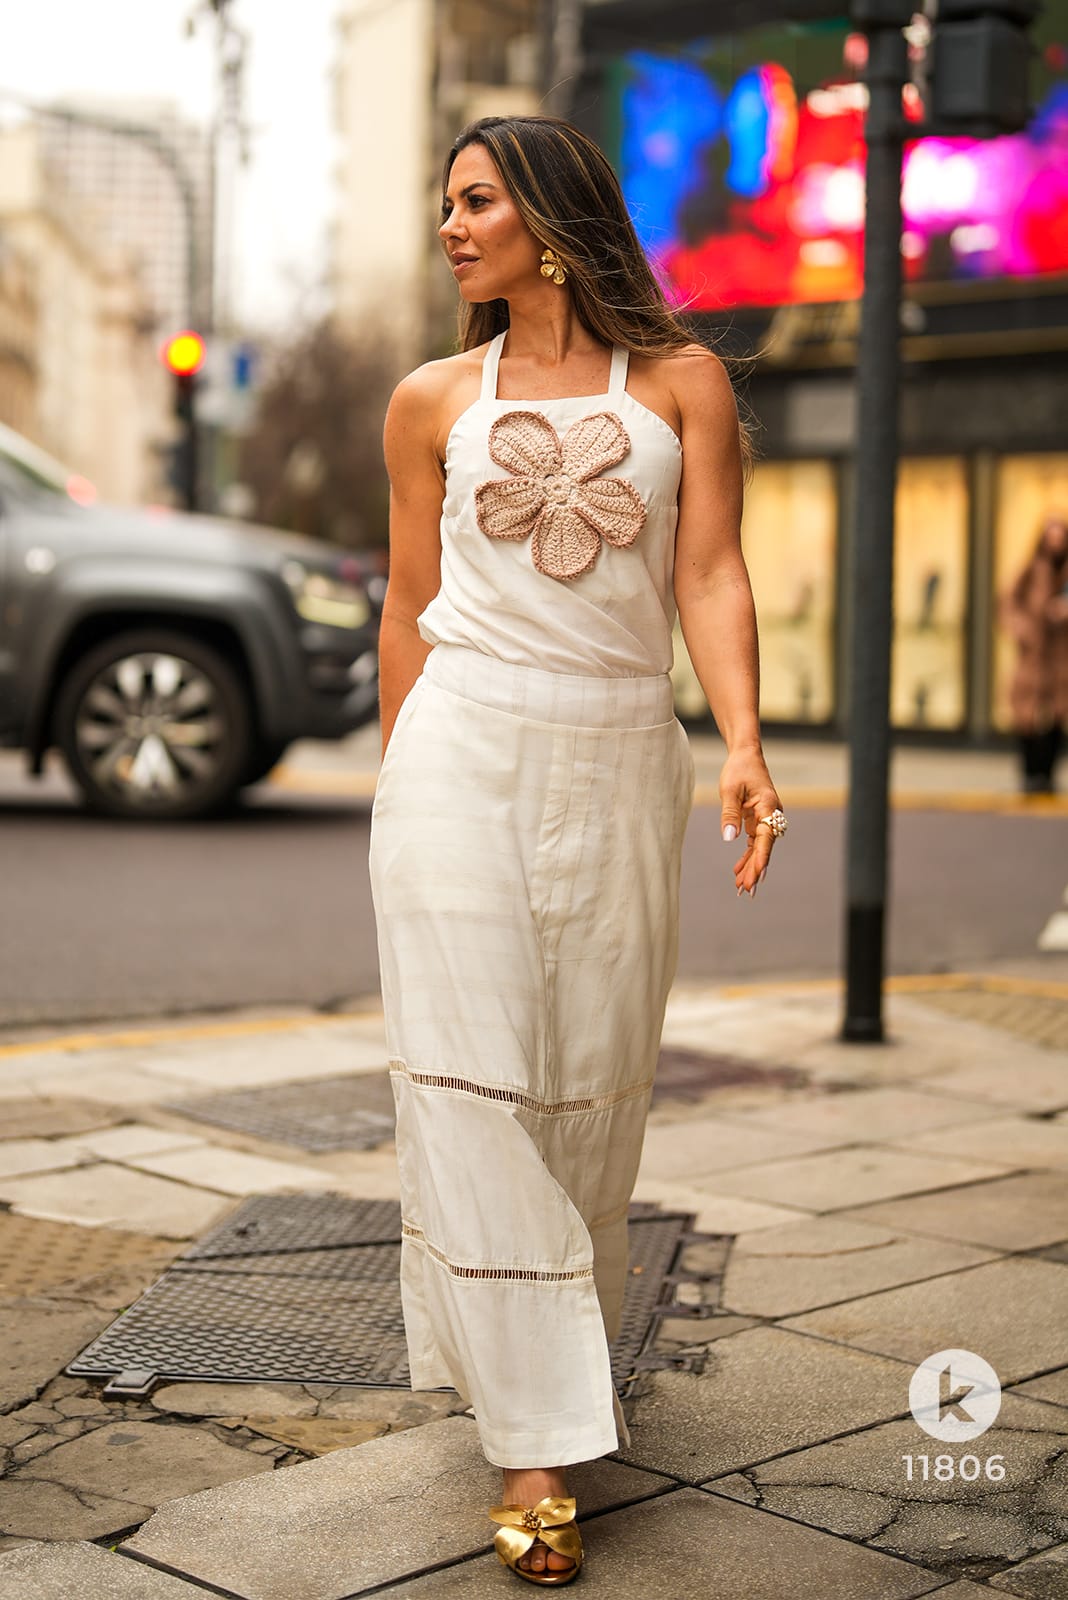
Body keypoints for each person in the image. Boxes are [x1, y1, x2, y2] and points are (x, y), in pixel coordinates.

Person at [368, 113, 785, 1587]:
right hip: (460, 752)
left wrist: (741, 741)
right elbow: (409, 605)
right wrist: (394, 786)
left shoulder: (685, 386)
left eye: (473, 199)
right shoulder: (428, 400)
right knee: (471, 1088)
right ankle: (536, 1448)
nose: (451, 225)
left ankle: (530, 1357)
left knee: (583, 1089)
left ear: (548, 217)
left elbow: (712, 571)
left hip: (617, 753)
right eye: (444, 203)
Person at [1001, 516, 1068, 793]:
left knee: (1058, 714)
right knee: (1026, 715)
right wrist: (1024, 630)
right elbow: (1007, 603)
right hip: (1034, 654)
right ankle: (1030, 772)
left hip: (1061, 656)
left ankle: (1048, 774)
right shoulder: (1032, 569)